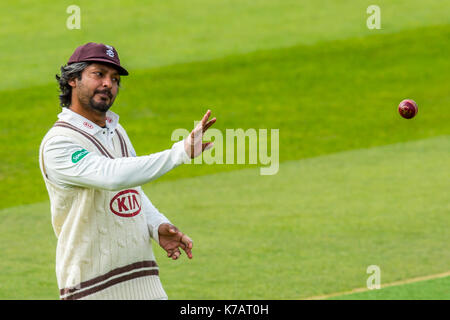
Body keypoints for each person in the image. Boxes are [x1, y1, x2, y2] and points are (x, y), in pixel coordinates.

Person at [38, 42, 216, 300]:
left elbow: (130, 187)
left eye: (114, 79)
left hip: (144, 281)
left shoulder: (116, 130)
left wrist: (156, 225)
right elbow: (112, 176)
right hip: (93, 289)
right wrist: (179, 153)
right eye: (98, 74)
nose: (108, 84)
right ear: (72, 80)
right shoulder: (59, 143)